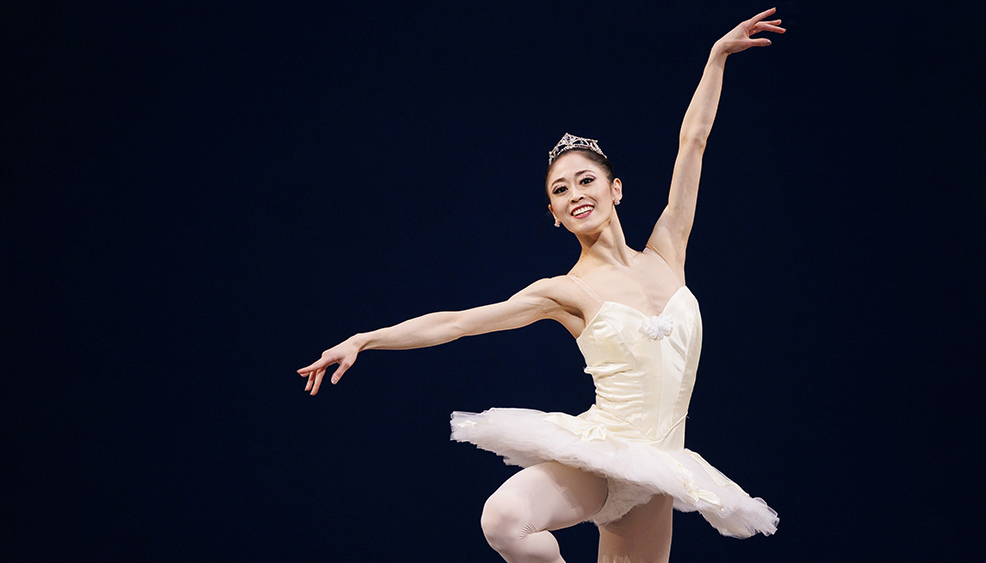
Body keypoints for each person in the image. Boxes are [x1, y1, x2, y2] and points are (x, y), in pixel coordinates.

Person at [299, 8, 784, 562]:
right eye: (560, 190)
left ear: (615, 188)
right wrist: (366, 338)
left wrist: (715, 57)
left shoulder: (668, 248)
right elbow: (458, 324)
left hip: (661, 469)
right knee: (503, 520)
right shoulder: (565, 292)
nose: (576, 194)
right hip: (605, 457)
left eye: (586, 180)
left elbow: (692, 143)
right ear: (553, 213)